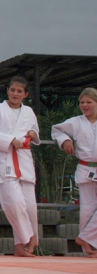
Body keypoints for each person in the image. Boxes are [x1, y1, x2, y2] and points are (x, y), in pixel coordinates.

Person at [0, 77, 40, 258]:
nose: (15, 93)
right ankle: (27, 238)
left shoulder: (28, 111)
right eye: (13, 90)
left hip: (23, 159)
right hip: (5, 158)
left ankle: (20, 246)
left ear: (26, 94)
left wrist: (33, 133)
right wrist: (9, 140)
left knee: (30, 206)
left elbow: (34, 131)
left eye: (19, 91)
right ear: (7, 90)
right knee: (14, 203)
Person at [51, 87, 97, 258]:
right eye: (82, 102)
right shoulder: (76, 122)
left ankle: (86, 238)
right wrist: (65, 140)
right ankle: (89, 248)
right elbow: (56, 130)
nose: (84, 105)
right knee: (87, 209)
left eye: (89, 102)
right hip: (86, 168)